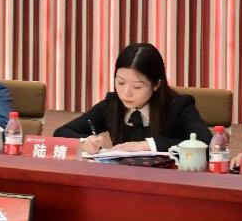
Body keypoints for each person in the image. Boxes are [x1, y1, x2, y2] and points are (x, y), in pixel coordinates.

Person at [56, 42, 210, 154]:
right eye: (120, 82)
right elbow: (61, 132)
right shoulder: (111, 104)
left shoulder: (179, 106)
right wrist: (85, 143)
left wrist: (147, 145)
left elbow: (207, 144)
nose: (126, 93)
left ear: (156, 85)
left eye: (137, 86)